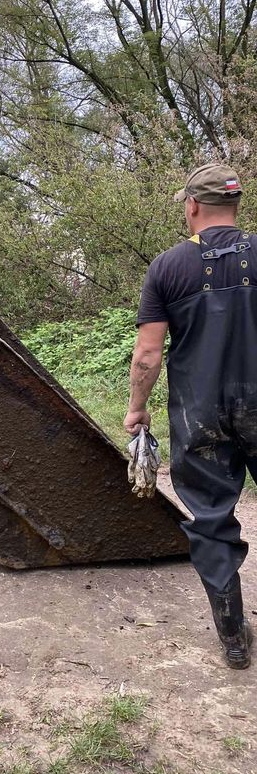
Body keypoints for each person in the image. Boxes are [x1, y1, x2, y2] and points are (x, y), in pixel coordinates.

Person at [124, 162, 256, 669]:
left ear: (193, 206)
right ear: (236, 205)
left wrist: (137, 409)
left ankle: (234, 639)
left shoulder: (168, 267)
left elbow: (148, 356)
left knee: (211, 518)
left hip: (201, 415)